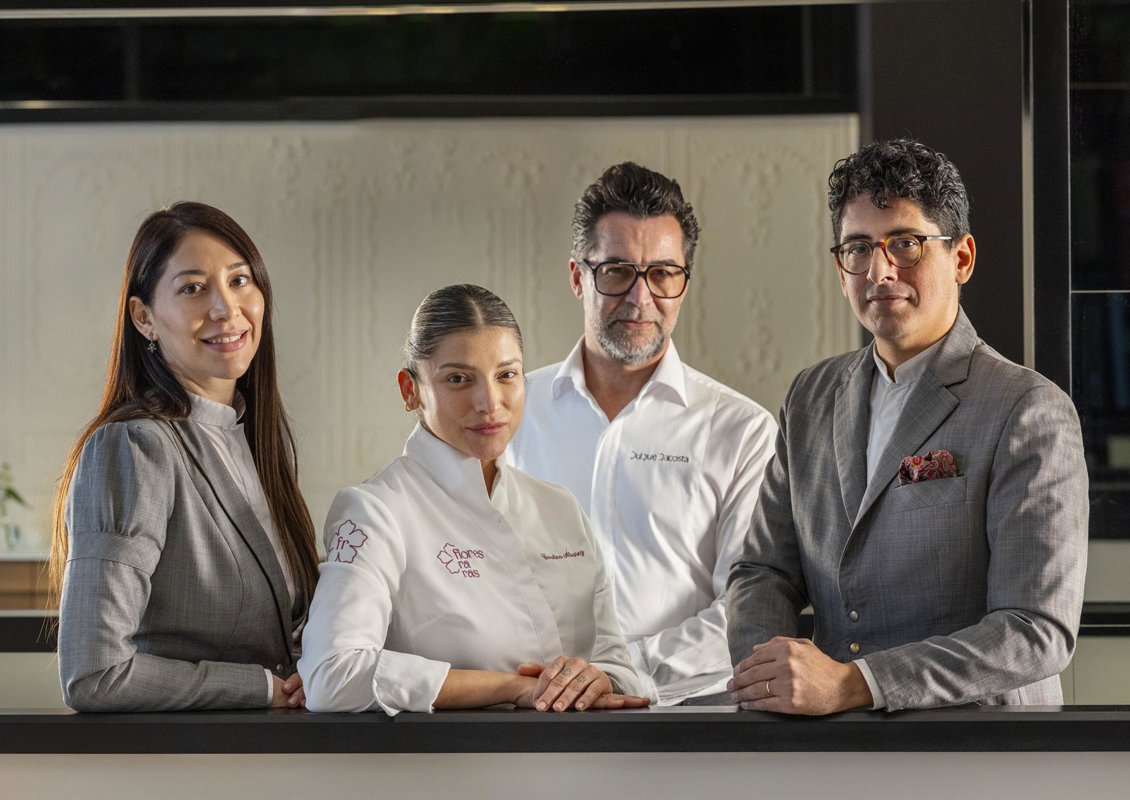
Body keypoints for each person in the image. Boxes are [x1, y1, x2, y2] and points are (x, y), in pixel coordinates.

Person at [726, 139, 1089, 714]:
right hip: (834, 743)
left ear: (962, 258)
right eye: (858, 248)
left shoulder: (1027, 408)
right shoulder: (810, 397)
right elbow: (762, 570)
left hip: (980, 744)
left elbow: (1035, 630)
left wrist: (856, 683)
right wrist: (768, 676)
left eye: (905, 244)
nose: (880, 270)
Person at [299, 284, 651, 714]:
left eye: (507, 375)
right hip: (453, 758)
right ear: (410, 390)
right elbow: (331, 675)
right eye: (458, 379)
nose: (489, 403)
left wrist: (598, 678)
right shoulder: (376, 511)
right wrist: (511, 688)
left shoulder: (560, 508)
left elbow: (618, 665)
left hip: (587, 755)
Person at [506, 162, 777, 705]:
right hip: (527, 714)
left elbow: (747, 608)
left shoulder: (742, 431)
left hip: (683, 723)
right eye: (616, 272)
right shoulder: (510, 412)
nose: (640, 297)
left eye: (663, 273)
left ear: (683, 282)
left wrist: (620, 671)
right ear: (578, 277)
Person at [51, 202, 319, 711]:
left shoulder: (250, 439)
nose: (225, 308)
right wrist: (263, 688)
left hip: (271, 750)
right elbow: (94, 673)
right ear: (144, 318)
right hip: (185, 754)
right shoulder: (134, 447)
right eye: (193, 288)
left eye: (239, 281)